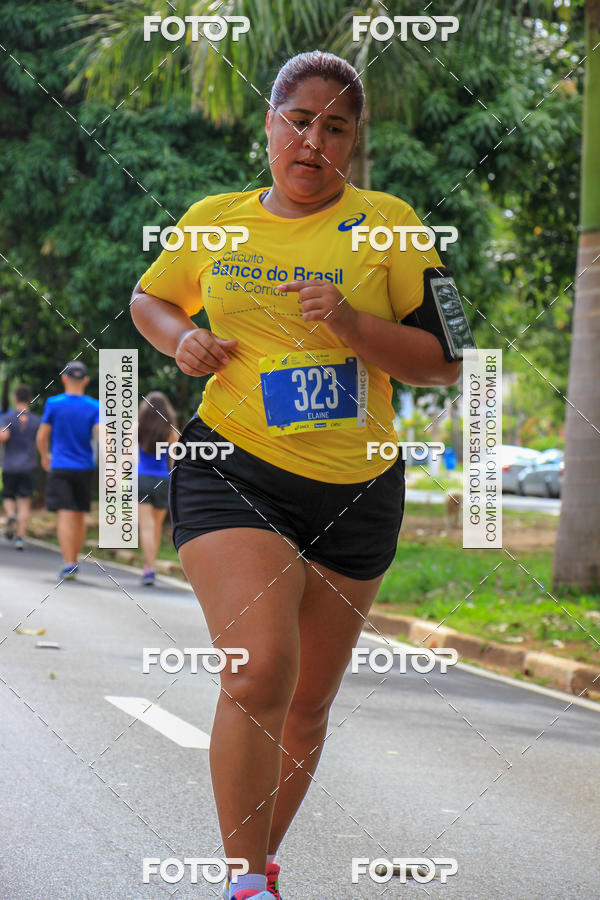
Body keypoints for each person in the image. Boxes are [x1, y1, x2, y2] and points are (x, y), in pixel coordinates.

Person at [131, 51, 461, 900]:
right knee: (258, 668)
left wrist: (351, 323)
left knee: (308, 703)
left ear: (353, 142)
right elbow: (150, 298)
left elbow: (445, 362)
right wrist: (181, 340)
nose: (313, 139)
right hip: (232, 468)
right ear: (268, 125)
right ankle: (246, 885)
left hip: (355, 487)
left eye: (335, 125)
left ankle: (259, 862)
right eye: (297, 119)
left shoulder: (390, 225)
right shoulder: (215, 220)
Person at [36, 361, 100, 580]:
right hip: (84, 467)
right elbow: (103, 436)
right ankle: (74, 559)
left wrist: (45, 456)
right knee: (80, 514)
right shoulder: (94, 406)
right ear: (86, 381)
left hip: (60, 465)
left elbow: (42, 436)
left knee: (64, 513)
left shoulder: (53, 403)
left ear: (64, 378)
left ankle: (68, 563)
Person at [137, 391, 178, 586]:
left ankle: (149, 568)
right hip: (163, 480)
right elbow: (175, 459)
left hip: (142, 478)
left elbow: (127, 455)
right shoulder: (170, 430)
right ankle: (150, 566)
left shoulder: (137, 427)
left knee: (146, 526)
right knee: (156, 525)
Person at [0, 384, 40, 550]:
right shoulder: (36, 420)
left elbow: (4, 437)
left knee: (8, 496)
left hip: (10, 465)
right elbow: (41, 440)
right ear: (29, 399)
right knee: (25, 502)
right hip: (29, 466)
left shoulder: (8, 417)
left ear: (15, 398)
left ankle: (11, 515)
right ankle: (20, 539)